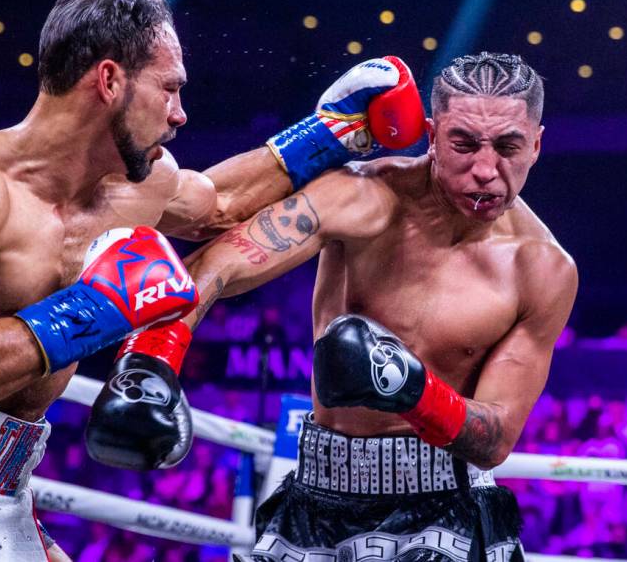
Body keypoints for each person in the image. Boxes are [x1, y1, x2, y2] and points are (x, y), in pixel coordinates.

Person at [0, 0, 425, 562]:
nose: (180, 112)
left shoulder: (142, 183)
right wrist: (99, 307)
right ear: (108, 80)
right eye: (168, 90)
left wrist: (336, 132)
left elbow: (219, 203)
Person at [185, 52, 578, 561]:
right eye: (462, 144)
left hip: (445, 508)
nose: (485, 170)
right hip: (315, 493)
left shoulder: (541, 268)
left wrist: (409, 389)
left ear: (537, 145)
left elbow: (496, 438)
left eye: (508, 147)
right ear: (432, 136)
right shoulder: (365, 195)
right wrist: (155, 351)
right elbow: (222, 263)